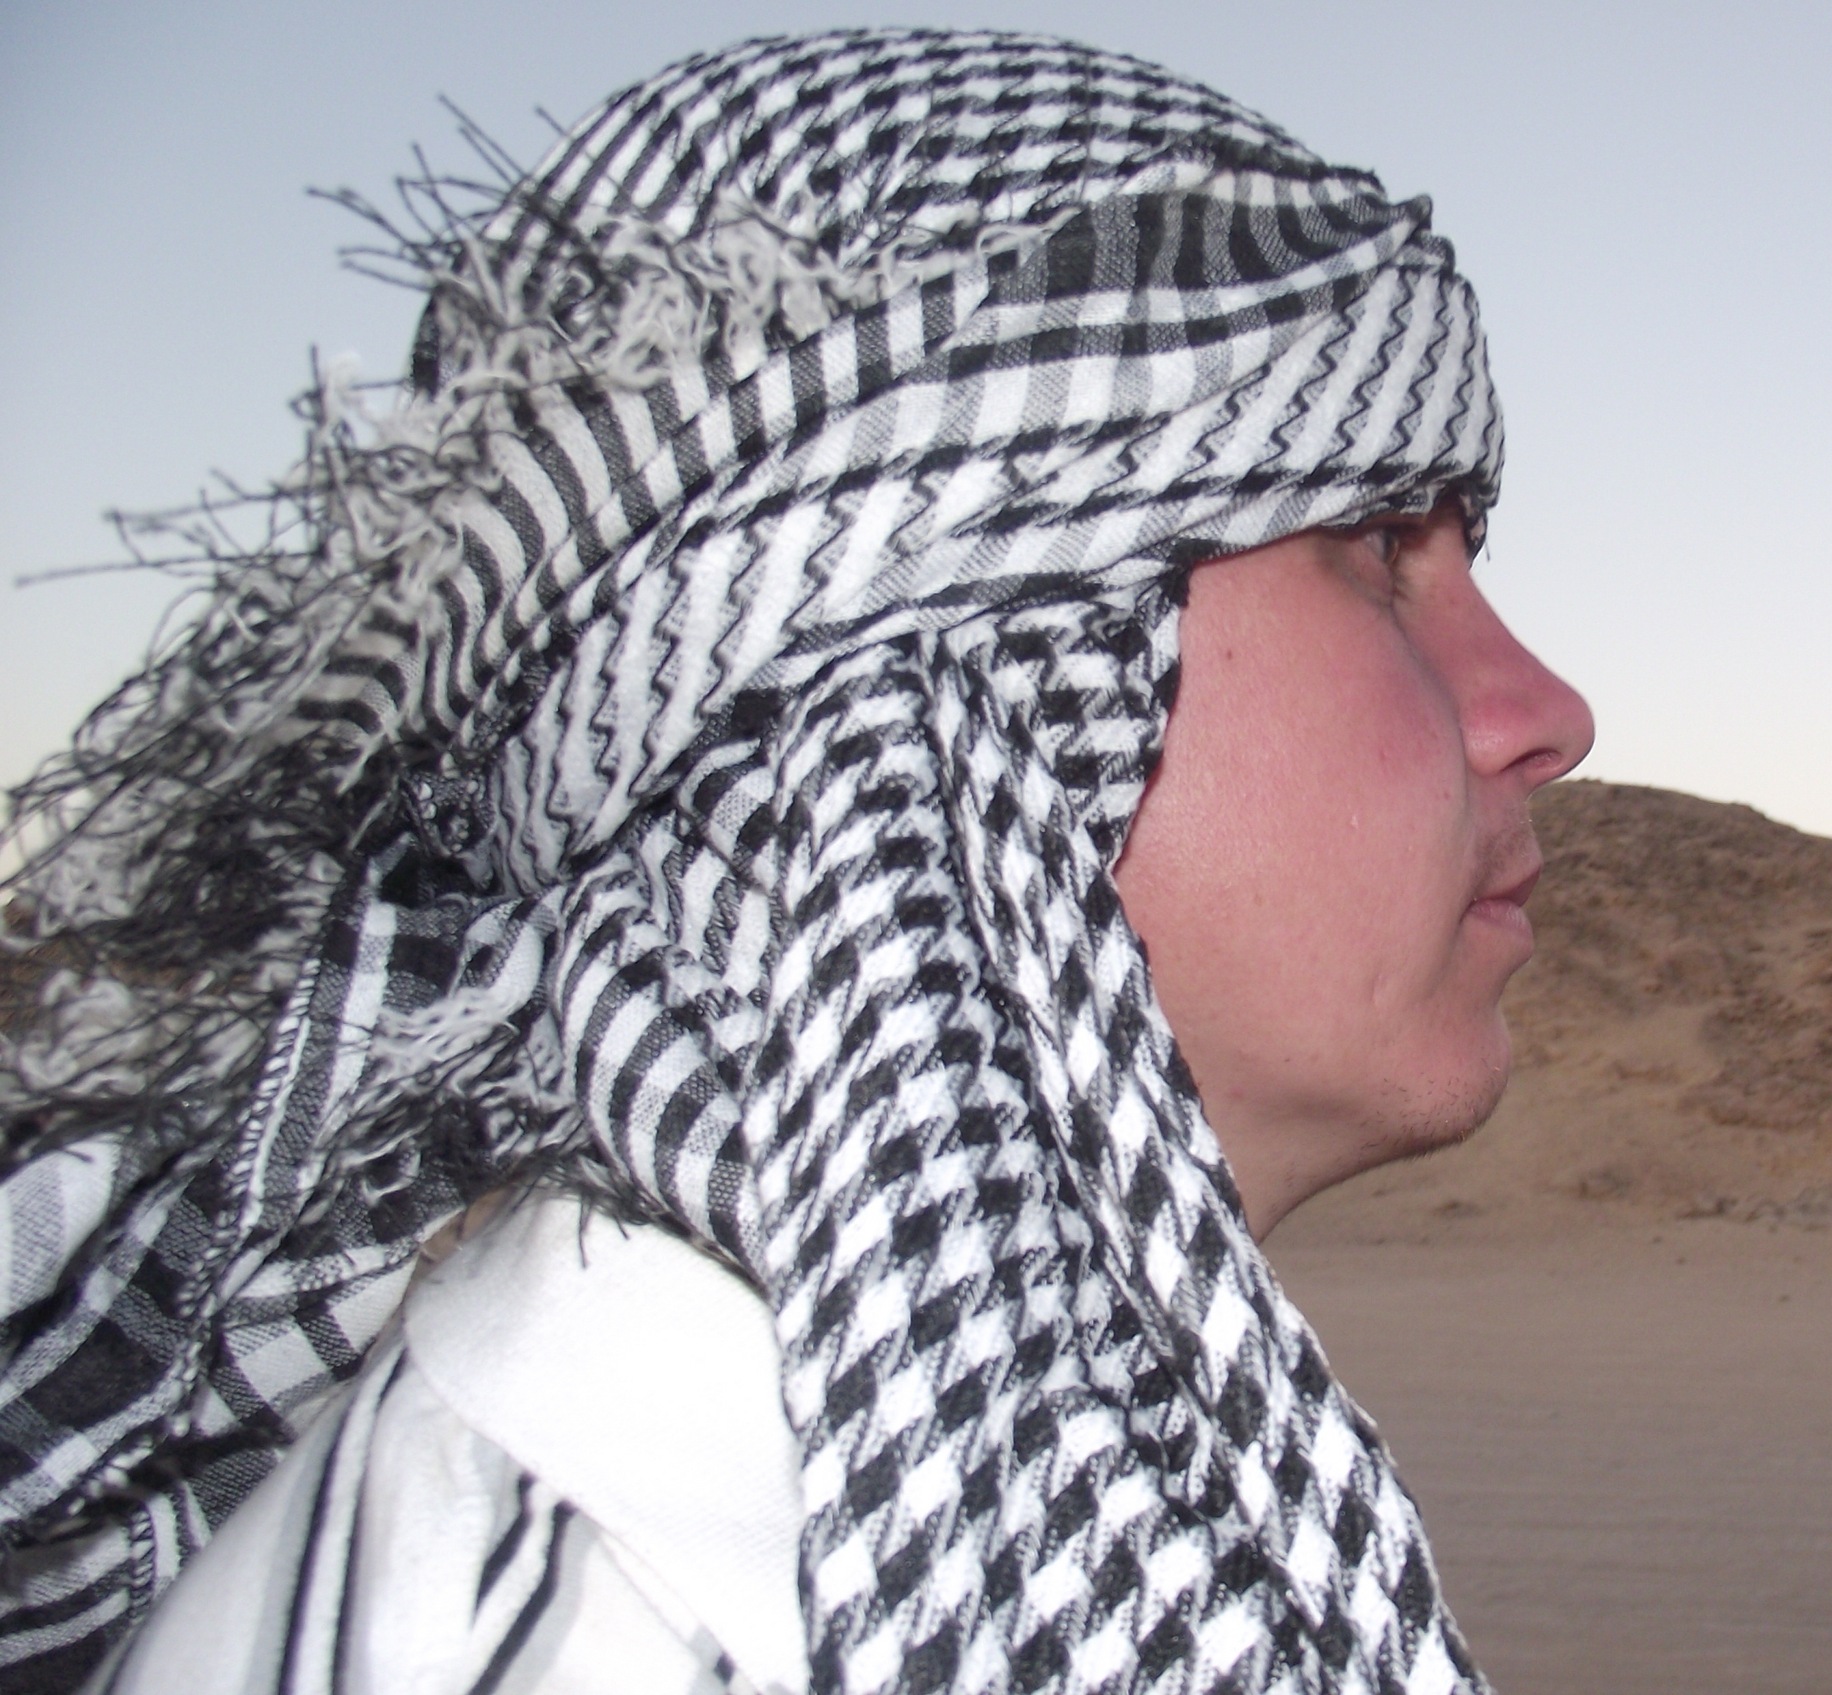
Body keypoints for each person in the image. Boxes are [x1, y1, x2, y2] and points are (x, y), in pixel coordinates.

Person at [0, 28, 1590, 1694]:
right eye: (1378, 550)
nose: (1548, 711)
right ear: (950, 675)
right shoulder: (571, 1645)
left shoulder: (1040, 1506)